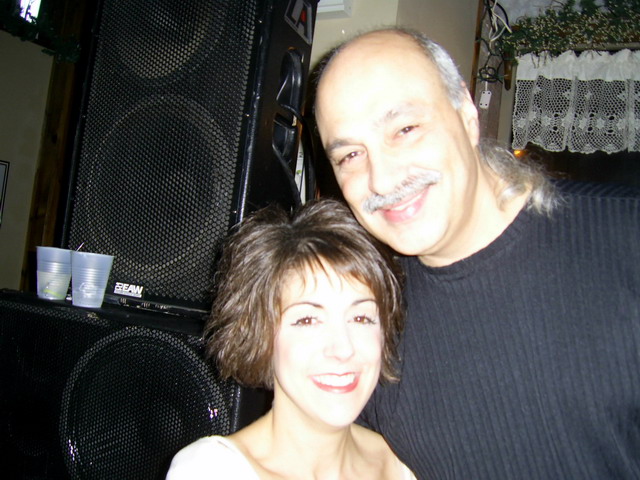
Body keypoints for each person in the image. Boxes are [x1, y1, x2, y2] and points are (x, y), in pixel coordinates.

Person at [313, 27, 640, 479]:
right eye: (350, 155)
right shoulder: (362, 318)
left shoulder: (626, 238)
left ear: (467, 115)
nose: (382, 180)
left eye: (405, 129)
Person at [166, 198, 415, 479]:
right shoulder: (212, 471)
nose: (343, 348)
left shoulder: (401, 463)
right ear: (260, 333)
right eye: (307, 320)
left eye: (361, 318)